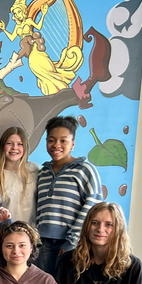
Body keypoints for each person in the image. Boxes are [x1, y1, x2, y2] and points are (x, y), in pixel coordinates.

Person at [34, 115, 101, 275]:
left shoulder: (84, 170)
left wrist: (72, 241)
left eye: (63, 141)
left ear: (72, 144)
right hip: (43, 243)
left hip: (71, 242)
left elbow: (93, 207)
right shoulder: (42, 173)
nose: (56, 145)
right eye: (51, 140)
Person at [0, 127, 38, 226]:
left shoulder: (34, 170)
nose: (14, 148)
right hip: (7, 234)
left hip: (33, 235)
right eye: (9, 143)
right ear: (2, 146)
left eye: (20, 144)